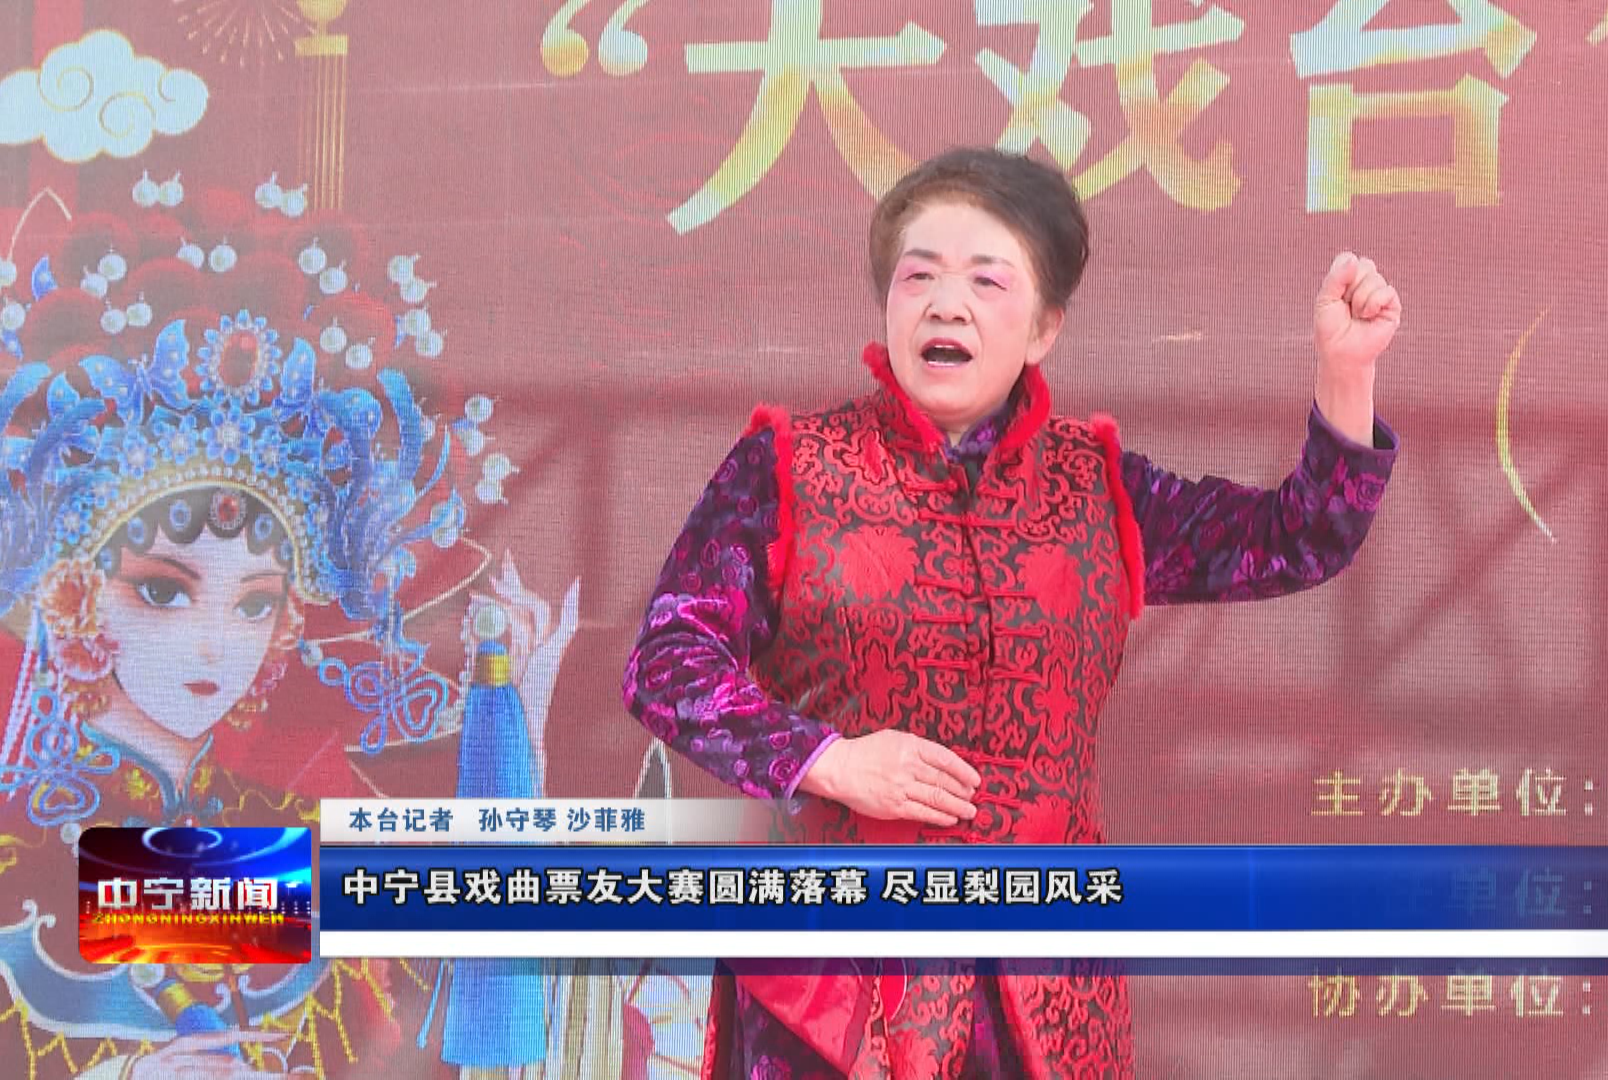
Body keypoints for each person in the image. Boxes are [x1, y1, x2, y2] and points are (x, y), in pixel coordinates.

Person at [622, 146, 1403, 1077]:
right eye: (919, 276)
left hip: (1046, 973)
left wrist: (1346, 374)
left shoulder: (1097, 487)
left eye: (986, 281)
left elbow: (1298, 538)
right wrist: (829, 759)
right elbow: (668, 661)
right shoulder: (790, 468)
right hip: (843, 973)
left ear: (1043, 328)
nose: (945, 304)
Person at [0, 176, 703, 1080]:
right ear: (73, 595)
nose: (216, 642)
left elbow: (456, 1011)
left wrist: (515, 721)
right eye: (166, 591)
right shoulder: (23, 843)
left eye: (254, 602)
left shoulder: (276, 836)